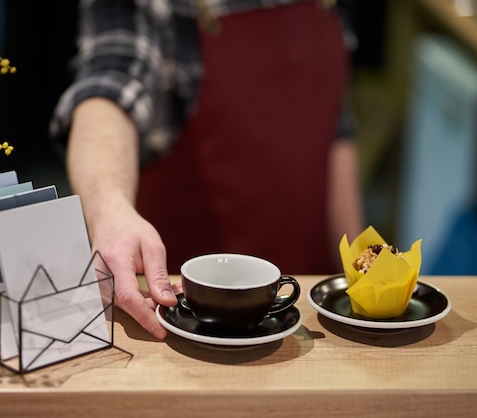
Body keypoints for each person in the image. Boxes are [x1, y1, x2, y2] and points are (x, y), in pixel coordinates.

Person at [50, 0, 365, 340]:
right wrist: (109, 209)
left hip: (302, 300)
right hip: (183, 314)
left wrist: (360, 268)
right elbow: (108, 86)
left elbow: (334, 128)